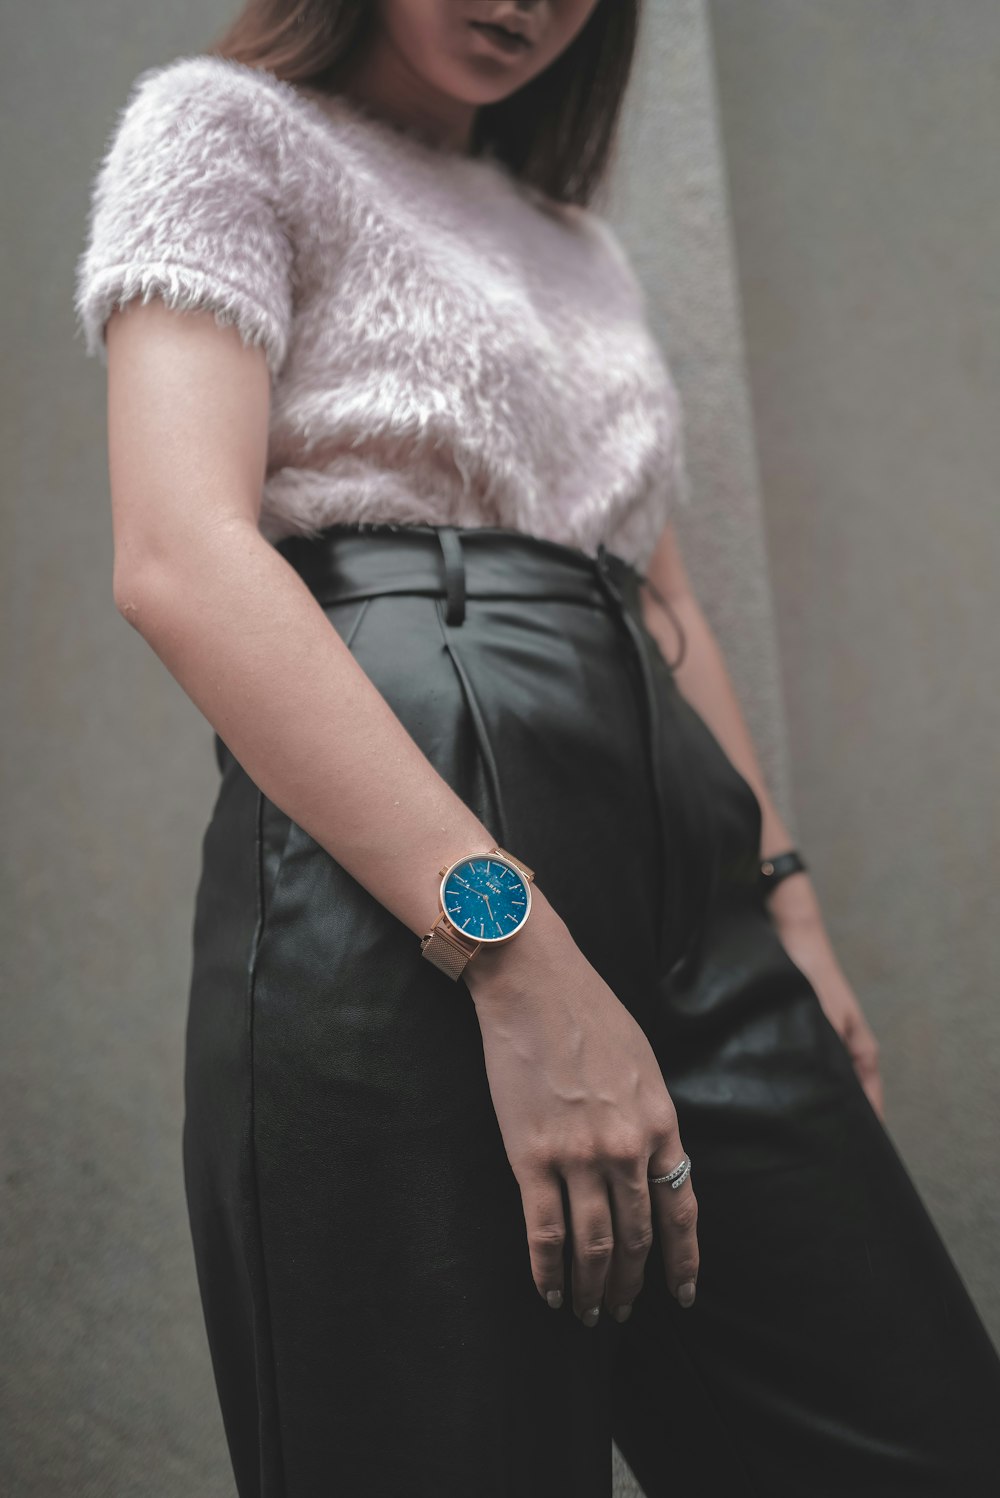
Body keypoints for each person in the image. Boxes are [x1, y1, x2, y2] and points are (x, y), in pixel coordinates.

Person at [73, 2, 1000, 1494]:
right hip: (402, 880)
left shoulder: (579, 240)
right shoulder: (220, 129)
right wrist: (512, 952)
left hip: (681, 872)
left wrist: (788, 909)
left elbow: (663, 592)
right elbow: (179, 553)